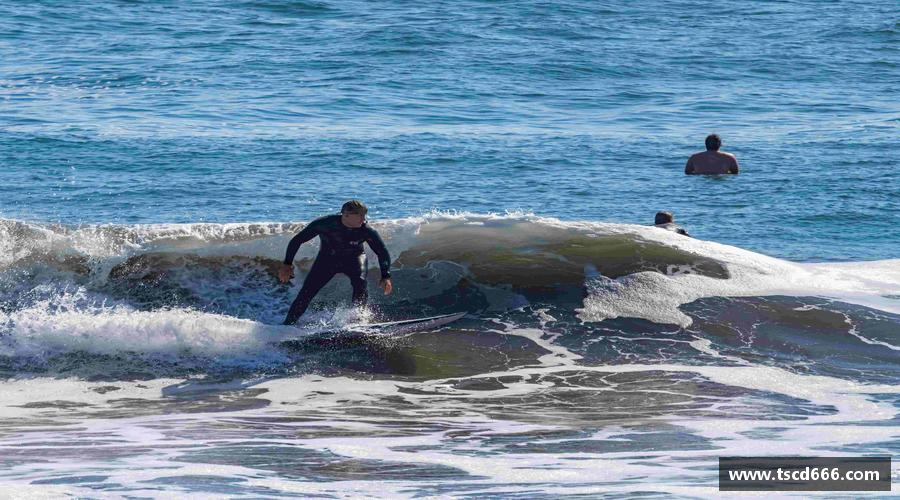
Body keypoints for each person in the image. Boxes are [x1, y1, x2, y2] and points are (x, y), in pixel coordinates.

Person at [278, 200, 393, 325]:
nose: (364, 219)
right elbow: (297, 240)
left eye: (364, 215)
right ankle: (288, 324)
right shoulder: (325, 224)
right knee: (307, 291)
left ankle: (358, 319)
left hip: (355, 259)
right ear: (346, 215)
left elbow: (382, 251)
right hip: (327, 260)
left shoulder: (366, 230)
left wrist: (385, 276)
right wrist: (287, 264)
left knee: (360, 283)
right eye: (360, 216)